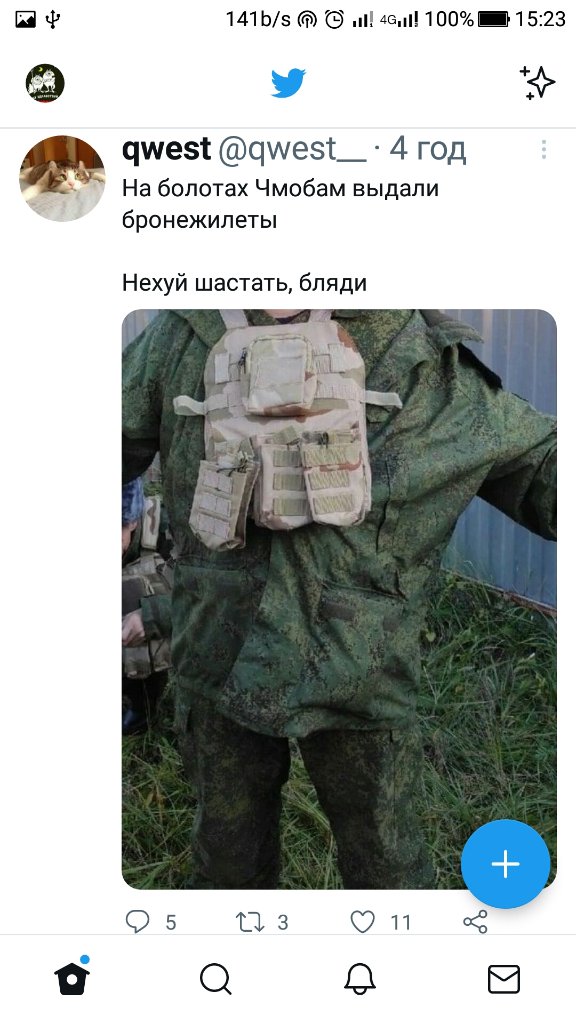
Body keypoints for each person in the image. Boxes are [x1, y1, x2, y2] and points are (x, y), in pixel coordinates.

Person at [122, 308, 556, 888]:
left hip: (334, 675)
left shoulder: (416, 356)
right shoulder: (182, 333)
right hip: (280, 664)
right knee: (258, 866)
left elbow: (541, 469)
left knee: (367, 866)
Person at [122, 480, 173, 735]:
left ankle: (143, 704)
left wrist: (151, 615)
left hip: (175, 636)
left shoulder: (169, 527)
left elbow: (207, 596)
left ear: (131, 521)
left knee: (130, 592)